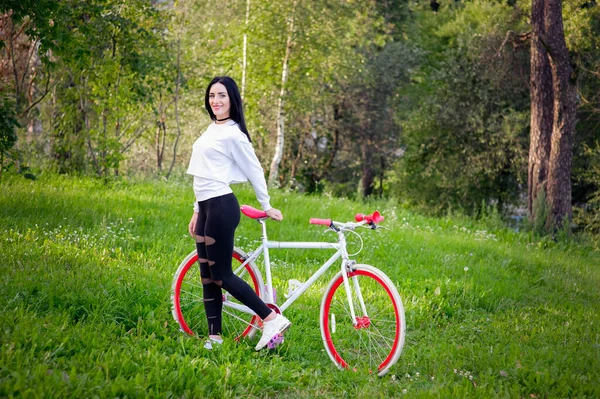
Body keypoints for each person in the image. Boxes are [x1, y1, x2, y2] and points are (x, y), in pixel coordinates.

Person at [187, 76, 291, 351]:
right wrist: (197, 210)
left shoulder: (234, 133)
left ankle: (271, 318)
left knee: (221, 274)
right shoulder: (212, 129)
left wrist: (266, 204)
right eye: (211, 96)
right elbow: (203, 175)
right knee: (207, 276)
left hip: (222, 206)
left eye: (221, 95)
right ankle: (215, 338)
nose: (216, 101)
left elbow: (254, 169)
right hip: (207, 207)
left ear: (232, 99)